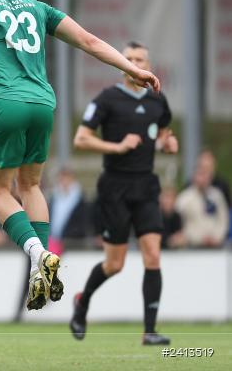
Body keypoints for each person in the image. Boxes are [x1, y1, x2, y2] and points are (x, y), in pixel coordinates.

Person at [0, 0, 159, 312]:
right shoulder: (36, 6)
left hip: (5, 103)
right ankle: (43, 264)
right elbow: (88, 40)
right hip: (42, 104)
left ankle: (38, 252)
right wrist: (132, 69)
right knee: (31, 185)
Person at [70, 41, 176, 345]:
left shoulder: (158, 99)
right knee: (114, 264)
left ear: (148, 64)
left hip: (145, 185)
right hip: (114, 187)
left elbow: (164, 130)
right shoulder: (107, 99)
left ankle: (150, 331)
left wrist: (168, 143)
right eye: (128, 59)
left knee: (153, 255)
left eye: (139, 59)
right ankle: (82, 302)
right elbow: (81, 139)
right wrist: (116, 146)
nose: (133, 63)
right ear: (120, 64)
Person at [176, 157, 229, 247]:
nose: (203, 178)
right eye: (200, 174)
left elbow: (223, 219)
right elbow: (178, 223)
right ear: (194, 176)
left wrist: (217, 238)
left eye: (205, 175)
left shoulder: (217, 196)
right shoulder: (184, 198)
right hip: (192, 246)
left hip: (216, 245)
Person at [47, 167, 90, 252]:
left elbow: (82, 223)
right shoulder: (54, 197)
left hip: (71, 243)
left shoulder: (80, 199)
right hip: (52, 242)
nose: (64, 182)